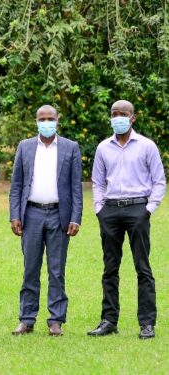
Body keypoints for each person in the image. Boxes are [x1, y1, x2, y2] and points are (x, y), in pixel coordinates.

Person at [88, 100, 166, 340]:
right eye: (114, 114)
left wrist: (148, 209)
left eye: (123, 114)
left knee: (142, 268)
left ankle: (146, 323)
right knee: (110, 268)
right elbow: (98, 182)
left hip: (137, 210)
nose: (117, 117)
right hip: (110, 211)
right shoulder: (103, 147)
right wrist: (100, 209)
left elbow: (159, 181)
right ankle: (109, 320)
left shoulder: (147, 146)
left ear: (133, 118)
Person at [8, 105, 83, 336]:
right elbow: (17, 185)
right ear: (36, 121)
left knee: (56, 270)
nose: (47, 122)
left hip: (59, 215)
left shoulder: (70, 147)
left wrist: (76, 217)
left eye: (51, 118)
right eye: (42, 118)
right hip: (31, 215)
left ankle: (55, 320)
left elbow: (76, 187)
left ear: (58, 120)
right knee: (30, 268)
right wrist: (15, 215)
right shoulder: (25, 146)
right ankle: (27, 319)